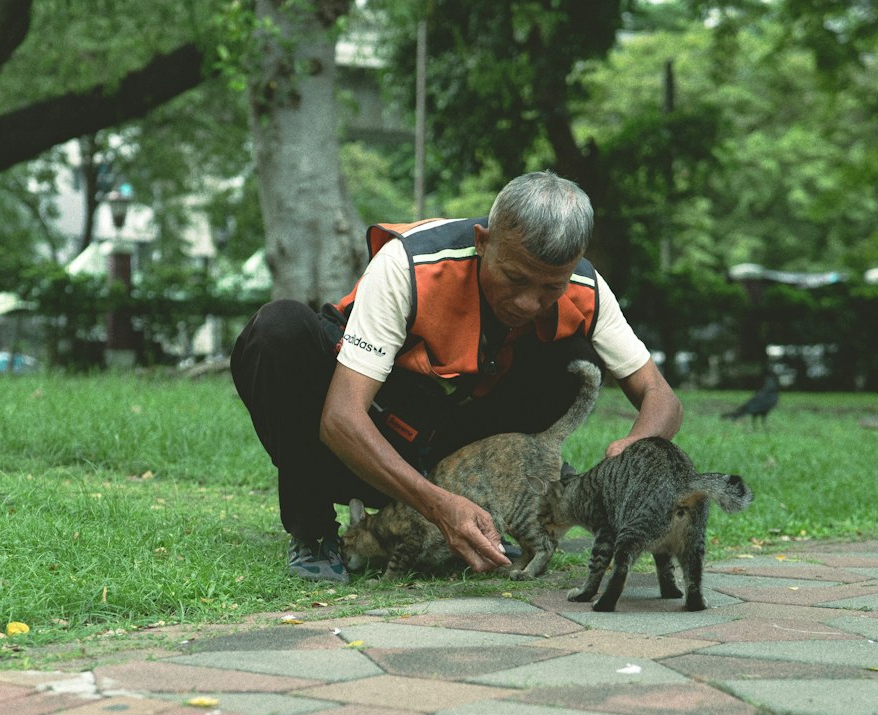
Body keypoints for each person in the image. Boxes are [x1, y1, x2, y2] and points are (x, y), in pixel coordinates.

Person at [231, 170, 683, 584]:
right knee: (279, 329)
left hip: (452, 448)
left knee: (573, 356)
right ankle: (313, 532)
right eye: (515, 278)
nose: (529, 303)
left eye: (551, 287)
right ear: (483, 242)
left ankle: (492, 518)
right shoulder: (409, 265)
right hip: (366, 442)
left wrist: (634, 448)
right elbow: (341, 419)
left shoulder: (584, 287)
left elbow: (661, 397)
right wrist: (436, 505)